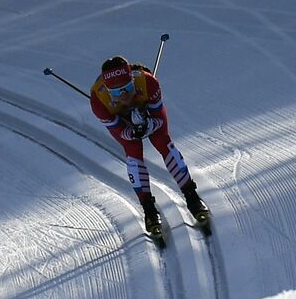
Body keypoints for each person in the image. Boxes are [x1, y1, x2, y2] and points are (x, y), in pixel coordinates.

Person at [89, 55, 209, 235]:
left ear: (133, 80)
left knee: (163, 142)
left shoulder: (148, 83)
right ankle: (149, 210)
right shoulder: (98, 100)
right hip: (122, 121)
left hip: (148, 112)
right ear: (107, 90)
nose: (125, 96)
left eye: (128, 88)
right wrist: (131, 132)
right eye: (116, 92)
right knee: (133, 150)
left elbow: (159, 118)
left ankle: (192, 197)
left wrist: (151, 124)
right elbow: (119, 132)